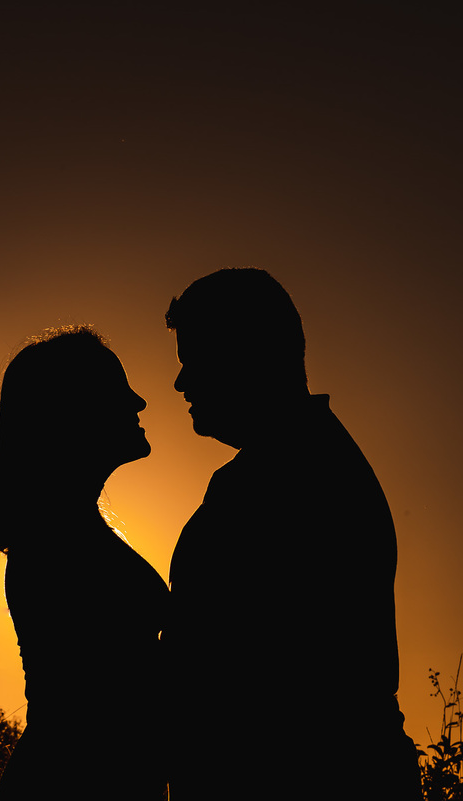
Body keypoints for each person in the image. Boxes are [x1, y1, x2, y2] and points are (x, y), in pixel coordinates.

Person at [163, 268, 421, 800]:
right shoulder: (299, 461)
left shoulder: (287, 478)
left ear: (246, 354)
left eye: (193, 360)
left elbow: (240, 675)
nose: (181, 382)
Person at [0, 326, 169, 800]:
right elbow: (104, 701)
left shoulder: (69, 533)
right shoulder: (59, 544)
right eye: (120, 390)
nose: (139, 402)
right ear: (73, 412)